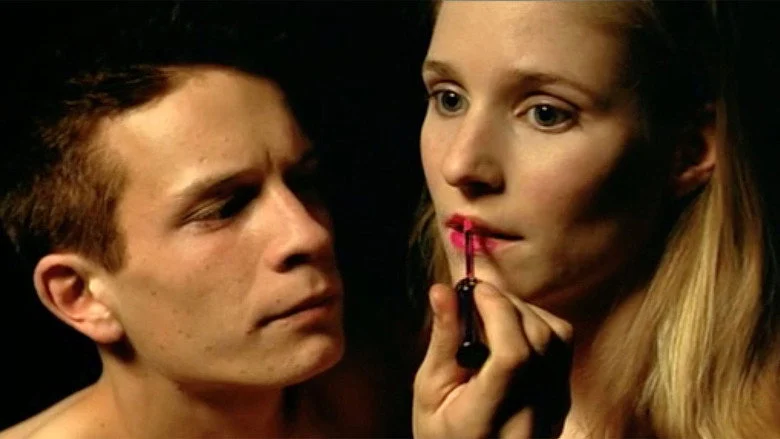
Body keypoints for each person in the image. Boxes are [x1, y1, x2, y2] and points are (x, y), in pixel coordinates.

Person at [0, 3, 391, 437]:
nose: (308, 234)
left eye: (304, 182)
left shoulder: (402, 396)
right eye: (224, 209)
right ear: (80, 295)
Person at [411, 1, 780, 438]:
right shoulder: (390, 383)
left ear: (689, 151)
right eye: (449, 99)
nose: (459, 166)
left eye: (546, 114)